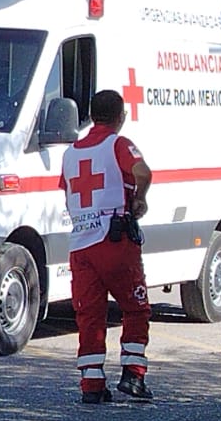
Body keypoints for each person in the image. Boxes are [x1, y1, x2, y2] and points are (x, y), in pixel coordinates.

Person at [59, 90, 154, 404]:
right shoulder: (118, 144)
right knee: (135, 307)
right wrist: (139, 199)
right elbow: (143, 172)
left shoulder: (71, 152)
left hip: (80, 243)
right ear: (120, 117)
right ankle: (133, 374)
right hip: (114, 240)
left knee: (89, 313)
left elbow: (68, 192)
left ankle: (91, 383)